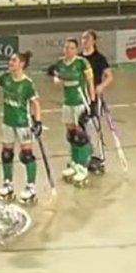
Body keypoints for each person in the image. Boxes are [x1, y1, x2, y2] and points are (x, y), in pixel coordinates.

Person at [0, 51, 42, 203]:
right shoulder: (5, 78)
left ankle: (31, 186)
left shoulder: (27, 83)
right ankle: (8, 183)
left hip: (23, 123)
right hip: (8, 122)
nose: (10, 63)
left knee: (27, 155)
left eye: (14, 60)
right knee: (7, 153)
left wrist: (38, 122)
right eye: (10, 60)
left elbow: (35, 103)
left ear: (22, 64)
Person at [50, 38, 95, 187]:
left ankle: (83, 166)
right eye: (66, 47)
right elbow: (56, 74)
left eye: (71, 48)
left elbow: (90, 81)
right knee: (71, 135)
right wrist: (56, 77)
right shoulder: (61, 63)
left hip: (80, 102)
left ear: (76, 50)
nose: (68, 50)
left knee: (81, 135)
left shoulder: (82, 63)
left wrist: (92, 102)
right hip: (67, 103)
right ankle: (74, 162)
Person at [81, 30, 114, 174]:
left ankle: (98, 157)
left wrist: (101, 86)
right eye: (83, 38)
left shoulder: (99, 58)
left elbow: (109, 76)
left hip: (93, 96)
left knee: (93, 126)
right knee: (81, 128)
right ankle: (84, 155)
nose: (85, 41)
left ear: (94, 41)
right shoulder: (79, 58)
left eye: (87, 38)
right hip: (80, 96)